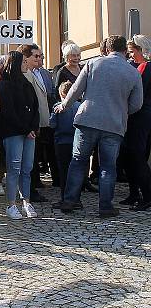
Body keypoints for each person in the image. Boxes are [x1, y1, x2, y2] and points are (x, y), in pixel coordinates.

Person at [55, 36, 143, 217]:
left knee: (78, 161)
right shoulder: (132, 72)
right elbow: (137, 104)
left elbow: (75, 90)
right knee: (108, 167)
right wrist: (120, 110)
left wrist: (64, 105)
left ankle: (69, 201)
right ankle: (105, 206)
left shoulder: (93, 64)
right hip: (114, 124)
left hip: (87, 120)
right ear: (124, 50)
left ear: (107, 48)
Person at [0, 51, 40, 220]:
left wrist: (33, 127)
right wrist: (25, 128)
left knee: (27, 168)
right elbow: (8, 111)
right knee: (14, 167)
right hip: (14, 131)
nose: (26, 64)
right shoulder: (5, 85)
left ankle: (26, 200)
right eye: (22, 61)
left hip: (28, 132)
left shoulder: (27, 83)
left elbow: (35, 107)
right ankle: (11, 204)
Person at [20, 44, 58, 200]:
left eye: (41, 56)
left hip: (42, 120)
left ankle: (34, 184)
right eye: (36, 56)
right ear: (26, 58)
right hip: (32, 122)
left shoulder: (42, 73)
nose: (39, 59)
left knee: (35, 155)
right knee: (31, 158)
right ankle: (30, 189)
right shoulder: (25, 74)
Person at [122, 35, 151, 210]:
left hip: (140, 118)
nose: (130, 55)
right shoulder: (137, 66)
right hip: (137, 118)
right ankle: (134, 193)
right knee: (130, 157)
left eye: (132, 52)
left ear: (141, 50)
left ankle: (146, 196)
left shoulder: (145, 68)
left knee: (137, 157)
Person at [50, 81, 80, 206]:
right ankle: (76, 199)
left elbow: (52, 124)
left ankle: (65, 198)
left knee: (63, 172)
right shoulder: (79, 105)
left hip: (61, 142)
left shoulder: (58, 107)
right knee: (76, 171)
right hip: (76, 141)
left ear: (61, 93)